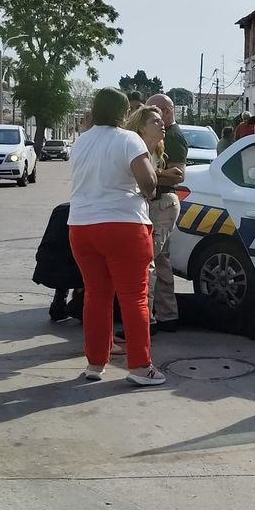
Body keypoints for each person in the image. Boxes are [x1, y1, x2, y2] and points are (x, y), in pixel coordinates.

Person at [67, 87, 164, 385]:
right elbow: (148, 182)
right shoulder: (128, 139)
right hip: (123, 225)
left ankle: (95, 364)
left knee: (96, 296)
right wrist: (150, 187)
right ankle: (140, 367)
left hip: (81, 227)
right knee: (134, 297)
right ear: (124, 113)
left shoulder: (80, 142)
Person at [145, 93, 187, 333]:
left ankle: (147, 319)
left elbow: (179, 173)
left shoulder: (171, 136)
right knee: (160, 263)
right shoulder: (166, 134)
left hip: (162, 204)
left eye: (154, 111)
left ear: (166, 111)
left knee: (147, 262)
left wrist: (149, 172)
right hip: (161, 203)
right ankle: (168, 315)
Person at [33, 202, 85, 322]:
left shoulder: (61, 209)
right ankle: (81, 303)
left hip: (49, 269)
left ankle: (61, 298)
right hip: (79, 270)